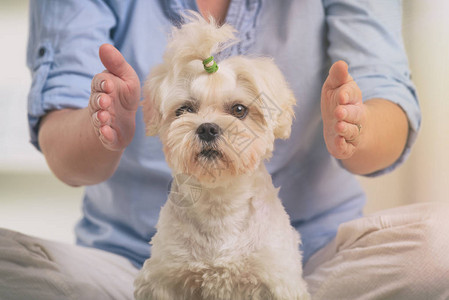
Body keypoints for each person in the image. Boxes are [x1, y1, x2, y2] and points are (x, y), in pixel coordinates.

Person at [0, 0, 448, 299]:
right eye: (186, 110)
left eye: (237, 110)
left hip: (314, 262)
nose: (209, 127)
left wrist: (357, 126)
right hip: (129, 263)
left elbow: (386, 94)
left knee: (439, 243)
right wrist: (100, 128)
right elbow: (62, 141)